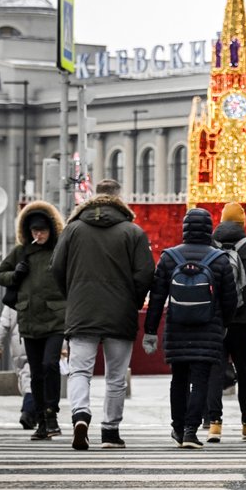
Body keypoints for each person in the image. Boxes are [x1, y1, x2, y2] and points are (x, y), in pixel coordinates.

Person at [50, 178, 154, 451]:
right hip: (120, 313)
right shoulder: (133, 232)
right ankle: (110, 431)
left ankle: (80, 417)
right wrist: (132, 300)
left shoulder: (72, 230)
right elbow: (145, 274)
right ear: (120, 199)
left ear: (94, 198)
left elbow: (56, 268)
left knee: (79, 372)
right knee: (116, 376)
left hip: (82, 310)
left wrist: (72, 295)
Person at [143, 208, 237, 449]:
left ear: (185, 228)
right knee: (201, 380)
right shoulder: (219, 259)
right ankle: (190, 431)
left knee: (179, 379)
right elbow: (229, 299)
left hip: (177, 328)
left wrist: (150, 329)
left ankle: (177, 426)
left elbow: (156, 298)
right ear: (209, 228)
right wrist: (224, 324)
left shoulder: (168, 258)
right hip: (208, 329)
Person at [0, 201, 67, 441]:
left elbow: (72, 276)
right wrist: (16, 274)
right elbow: (0, 275)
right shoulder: (20, 252)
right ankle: (41, 420)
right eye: (35, 230)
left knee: (50, 365)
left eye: (43, 230)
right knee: (36, 372)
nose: (39, 234)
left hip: (56, 319)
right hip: (29, 320)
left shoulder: (59, 251)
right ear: (28, 231)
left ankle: (51, 413)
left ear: (52, 229)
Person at [206, 202, 246, 443]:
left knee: (215, 370)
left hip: (216, 319)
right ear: (242, 224)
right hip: (243, 319)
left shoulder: (210, 247)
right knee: (244, 370)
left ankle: (214, 424)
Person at [0, 305, 36, 430]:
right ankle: (29, 411)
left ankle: (29, 410)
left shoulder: (12, 299)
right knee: (32, 378)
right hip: (35, 338)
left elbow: (4, 325)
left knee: (25, 376)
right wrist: (63, 348)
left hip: (19, 343)